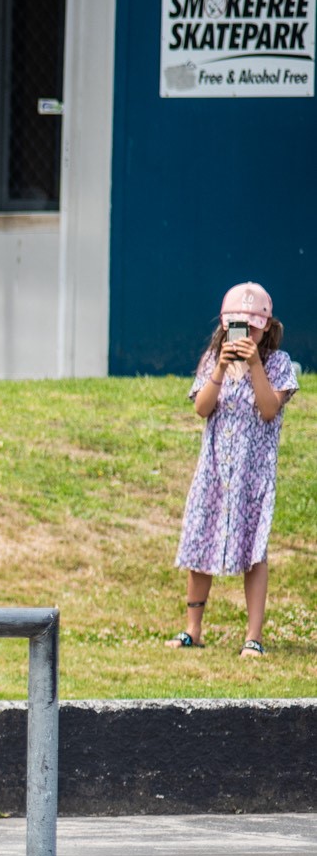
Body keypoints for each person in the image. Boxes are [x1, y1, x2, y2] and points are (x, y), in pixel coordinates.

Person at [171, 281, 296, 656]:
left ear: (266, 327)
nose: (245, 335)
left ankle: (253, 637)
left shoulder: (278, 364)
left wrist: (255, 363)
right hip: (214, 472)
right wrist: (222, 368)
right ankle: (193, 628)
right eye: (237, 327)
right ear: (225, 326)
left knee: (254, 553)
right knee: (199, 545)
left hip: (252, 477)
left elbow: (269, 408)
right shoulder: (214, 361)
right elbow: (202, 408)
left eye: (252, 328)